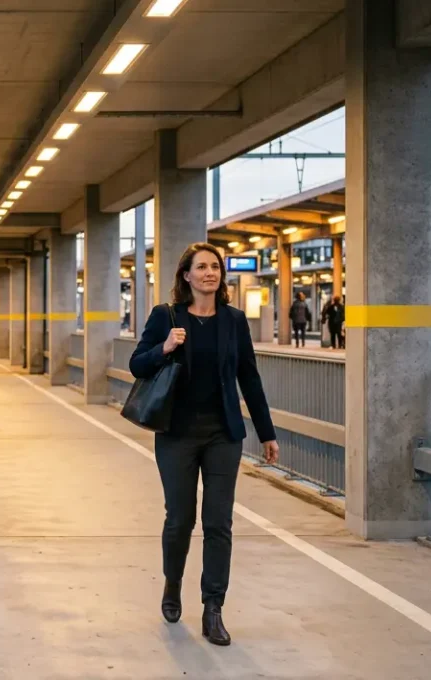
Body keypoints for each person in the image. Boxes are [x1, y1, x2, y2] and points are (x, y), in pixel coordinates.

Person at [130, 242, 279, 647]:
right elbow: (136, 363)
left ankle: (213, 607)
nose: (210, 273)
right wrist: (164, 347)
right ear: (186, 275)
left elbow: (249, 377)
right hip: (176, 433)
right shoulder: (166, 316)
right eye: (201, 267)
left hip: (222, 434)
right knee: (180, 519)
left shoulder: (234, 320)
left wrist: (266, 432)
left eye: (215, 267)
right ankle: (172, 583)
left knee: (218, 522)